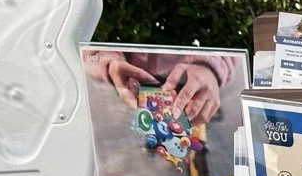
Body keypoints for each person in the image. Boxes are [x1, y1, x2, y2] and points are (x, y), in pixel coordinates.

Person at [83, 49, 235, 124]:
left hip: (193, 88)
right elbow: (82, 43)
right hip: (127, 87)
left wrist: (211, 68)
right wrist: (108, 61)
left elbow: (235, 34)